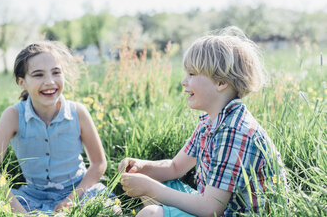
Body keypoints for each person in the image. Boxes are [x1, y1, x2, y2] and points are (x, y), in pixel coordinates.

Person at [118, 26, 285, 216]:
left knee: (150, 213)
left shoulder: (235, 131)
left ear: (221, 83)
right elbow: (175, 168)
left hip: (229, 212)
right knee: (154, 183)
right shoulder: (209, 123)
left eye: (191, 74)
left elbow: (210, 209)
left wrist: (150, 188)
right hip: (214, 207)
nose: (183, 81)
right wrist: (143, 167)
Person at [0, 41, 112, 215]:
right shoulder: (13, 116)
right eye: (38, 75)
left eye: (56, 72)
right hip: (34, 196)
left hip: (78, 191)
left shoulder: (78, 112)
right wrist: (20, 212)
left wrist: (71, 200)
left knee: (110, 209)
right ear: (22, 82)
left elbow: (99, 163)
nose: (50, 81)